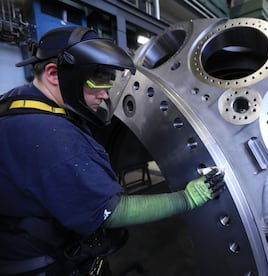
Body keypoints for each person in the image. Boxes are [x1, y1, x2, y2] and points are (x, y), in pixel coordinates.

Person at [0, 26, 224, 275]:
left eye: (108, 79)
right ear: (54, 74)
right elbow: (111, 211)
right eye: (96, 78)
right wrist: (187, 198)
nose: (105, 93)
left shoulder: (19, 101)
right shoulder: (52, 137)